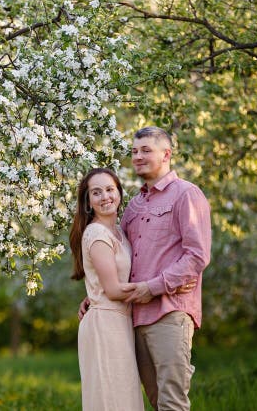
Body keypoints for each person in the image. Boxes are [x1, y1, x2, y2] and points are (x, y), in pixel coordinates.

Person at [79, 127, 211, 411]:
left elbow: (197, 256)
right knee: (152, 400)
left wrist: (153, 287)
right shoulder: (133, 207)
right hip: (133, 318)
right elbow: (119, 261)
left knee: (172, 402)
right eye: (134, 151)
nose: (138, 157)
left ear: (166, 154)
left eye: (146, 150)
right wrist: (95, 294)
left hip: (169, 312)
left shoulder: (186, 195)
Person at [69, 167, 144, 411]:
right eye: (96, 192)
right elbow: (112, 290)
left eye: (110, 189)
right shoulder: (98, 233)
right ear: (88, 202)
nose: (105, 197)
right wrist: (159, 287)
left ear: (119, 193)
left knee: (125, 395)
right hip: (105, 325)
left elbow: (105, 279)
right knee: (111, 399)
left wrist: (91, 295)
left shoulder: (119, 232)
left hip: (119, 321)